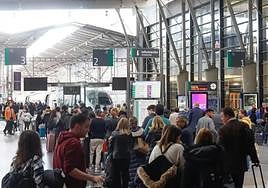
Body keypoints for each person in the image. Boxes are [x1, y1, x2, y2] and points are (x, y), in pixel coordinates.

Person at [53, 113, 104, 188]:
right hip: (72, 184)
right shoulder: (73, 143)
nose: (88, 130)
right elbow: (70, 169)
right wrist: (92, 178)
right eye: (86, 127)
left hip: (61, 182)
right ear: (77, 126)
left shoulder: (62, 138)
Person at [219, 107, 259, 188]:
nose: (221, 119)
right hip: (241, 163)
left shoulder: (223, 129)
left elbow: (221, 148)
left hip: (228, 164)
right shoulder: (244, 126)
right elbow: (250, 145)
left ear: (227, 116)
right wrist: (254, 159)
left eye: (222, 116)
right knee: (239, 184)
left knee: (228, 185)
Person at [109, 117, 132, 188]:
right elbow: (131, 145)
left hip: (116, 156)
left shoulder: (114, 133)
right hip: (126, 156)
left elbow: (111, 146)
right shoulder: (129, 134)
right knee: (125, 173)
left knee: (116, 175)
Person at [128, 117, 147, 188]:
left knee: (131, 172)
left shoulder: (128, 132)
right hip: (141, 155)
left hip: (131, 155)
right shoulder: (142, 131)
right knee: (139, 173)